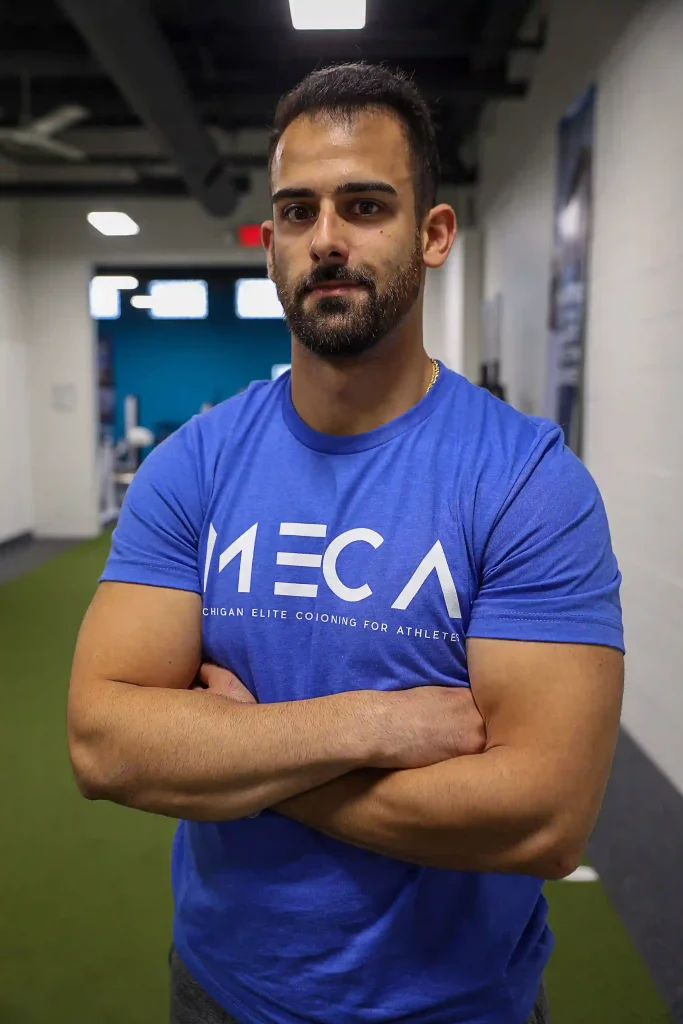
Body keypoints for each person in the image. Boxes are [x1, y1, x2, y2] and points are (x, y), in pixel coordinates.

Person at [67, 63, 624, 1024]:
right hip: (222, 992)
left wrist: (242, 762)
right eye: (295, 212)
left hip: (454, 1006)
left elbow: (542, 816)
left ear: (433, 233)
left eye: (364, 205)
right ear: (272, 243)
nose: (324, 239)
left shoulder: (528, 482)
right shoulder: (193, 466)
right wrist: (369, 726)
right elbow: (103, 743)